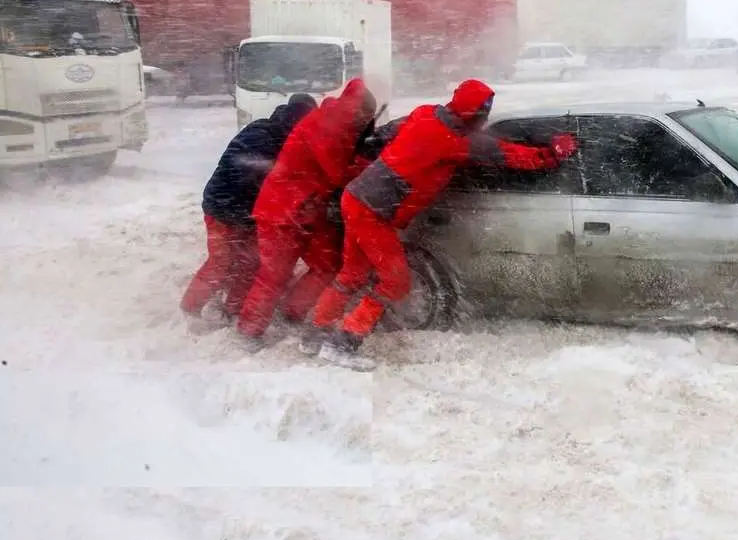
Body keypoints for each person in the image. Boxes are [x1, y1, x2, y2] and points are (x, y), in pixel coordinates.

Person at [307, 78, 578, 370]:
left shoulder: (426, 113)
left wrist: (367, 146)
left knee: (352, 275)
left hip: (357, 197)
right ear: (473, 113)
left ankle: (314, 334)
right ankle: (343, 343)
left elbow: (388, 132)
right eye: (483, 112)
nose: (485, 117)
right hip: (374, 213)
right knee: (396, 283)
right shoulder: (457, 141)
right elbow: (508, 155)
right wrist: (551, 154)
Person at [234, 78, 378, 349]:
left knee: (328, 264)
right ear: (353, 110)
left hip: (309, 210)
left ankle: (293, 312)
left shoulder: (340, 124)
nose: (365, 121)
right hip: (281, 210)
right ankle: (248, 332)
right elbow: (336, 173)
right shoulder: (324, 126)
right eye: (364, 116)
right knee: (274, 275)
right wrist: (367, 163)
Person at [179, 93, 318, 328]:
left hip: (248, 212)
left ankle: (233, 308)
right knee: (221, 262)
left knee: (249, 261)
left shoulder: (275, 132)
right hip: (222, 208)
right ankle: (189, 310)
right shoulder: (262, 135)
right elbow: (249, 169)